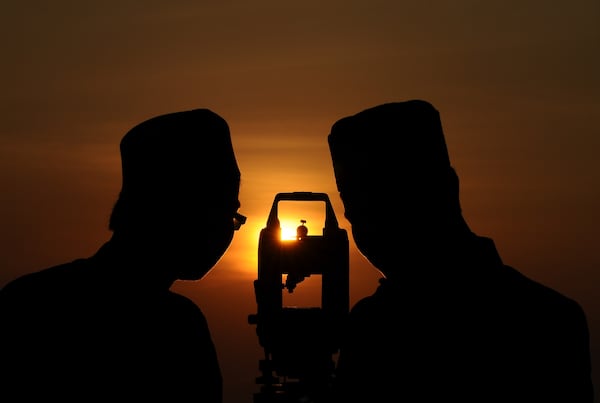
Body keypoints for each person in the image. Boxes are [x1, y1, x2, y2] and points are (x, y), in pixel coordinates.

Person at [327, 100, 593, 402]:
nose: (370, 231)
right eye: (356, 212)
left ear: (444, 188)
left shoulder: (375, 331)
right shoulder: (553, 318)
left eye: (388, 203)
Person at [0, 108, 246, 402]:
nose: (225, 229)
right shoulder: (178, 330)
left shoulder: (28, 298)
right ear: (172, 208)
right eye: (226, 213)